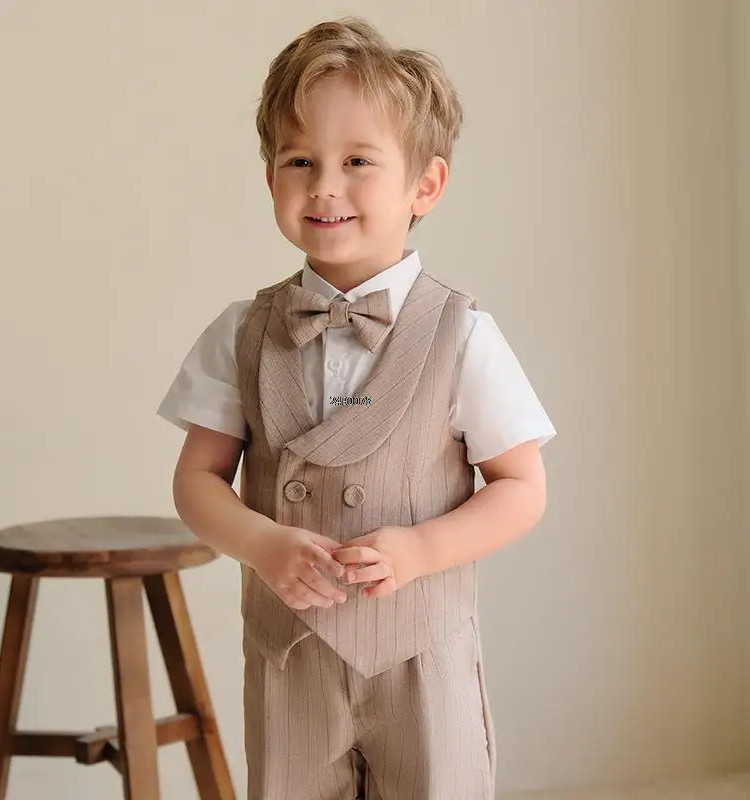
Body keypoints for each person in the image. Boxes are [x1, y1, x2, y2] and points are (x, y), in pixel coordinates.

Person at [158, 15, 556, 800]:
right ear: (271, 180)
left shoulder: (463, 335)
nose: (324, 184)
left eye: (357, 161)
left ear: (425, 185)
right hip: (289, 656)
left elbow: (523, 488)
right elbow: (196, 482)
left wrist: (420, 552)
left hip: (421, 653)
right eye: (299, 159)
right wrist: (264, 544)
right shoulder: (241, 332)